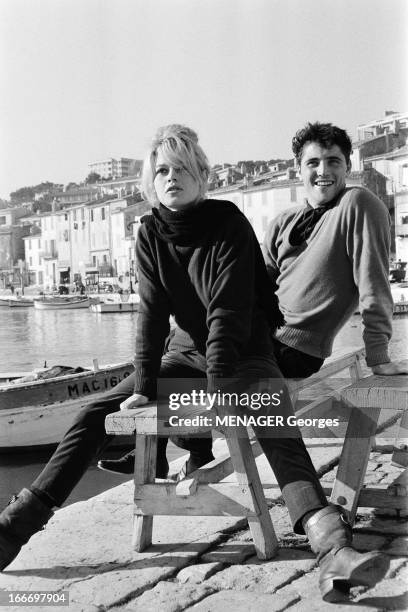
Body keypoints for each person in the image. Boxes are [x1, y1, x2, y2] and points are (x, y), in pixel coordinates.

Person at [0, 125, 389, 603]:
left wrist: (222, 386)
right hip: (186, 352)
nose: (171, 177)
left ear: (202, 176)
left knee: (273, 422)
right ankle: (12, 530)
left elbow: (227, 308)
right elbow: (149, 313)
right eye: (162, 169)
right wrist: (144, 382)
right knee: (96, 414)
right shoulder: (148, 233)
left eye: (182, 168)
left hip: (245, 351)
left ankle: (333, 550)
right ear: (149, 181)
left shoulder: (228, 221)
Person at [263, 121, 407, 378]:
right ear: (299, 170)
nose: (323, 171)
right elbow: (257, 287)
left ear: (348, 167)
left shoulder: (358, 204)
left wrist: (379, 357)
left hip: (293, 349)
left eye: (333, 161)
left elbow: (373, 282)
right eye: (313, 163)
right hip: (258, 334)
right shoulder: (282, 222)